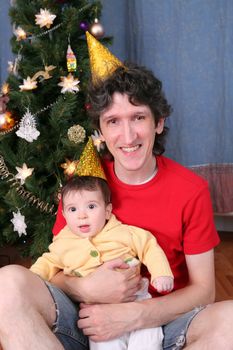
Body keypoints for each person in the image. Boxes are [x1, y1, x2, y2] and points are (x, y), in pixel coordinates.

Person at [0, 31, 232, 350]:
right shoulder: (86, 185)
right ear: (101, 129)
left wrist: (135, 315)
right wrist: (88, 290)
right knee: (7, 284)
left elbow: (205, 291)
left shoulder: (191, 189)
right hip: (87, 320)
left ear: (159, 122)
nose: (127, 135)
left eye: (138, 117)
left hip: (159, 324)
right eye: (113, 122)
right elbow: (54, 268)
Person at [30, 174, 174, 350]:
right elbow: (47, 263)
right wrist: (30, 279)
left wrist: (161, 273)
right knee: (106, 345)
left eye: (91, 206)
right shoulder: (63, 243)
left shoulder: (123, 233)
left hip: (137, 300)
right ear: (64, 215)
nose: (82, 216)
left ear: (107, 211)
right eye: (73, 209)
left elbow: (149, 246)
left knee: (148, 340)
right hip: (97, 311)